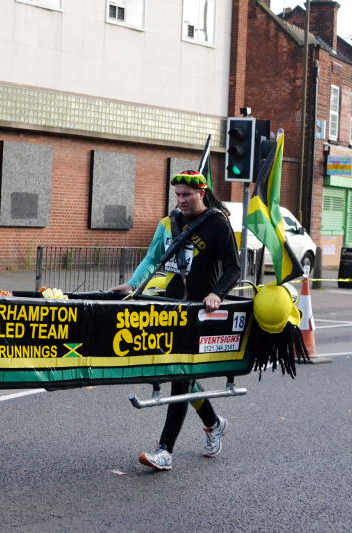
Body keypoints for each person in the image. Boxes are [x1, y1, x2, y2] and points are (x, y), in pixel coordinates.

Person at [111, 170, 240, 471]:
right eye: (178, 195)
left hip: (197, 310)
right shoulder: (169, 223)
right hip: (170, 307)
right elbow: (152, 259)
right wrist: (132, 285)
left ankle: (165, 450)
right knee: (180, 373)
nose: (181, 200)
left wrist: (217, 293)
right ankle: (213, 423)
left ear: (202, 194)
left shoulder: (217, 223)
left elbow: (234, 268)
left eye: (187, 195)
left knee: (180, 376)